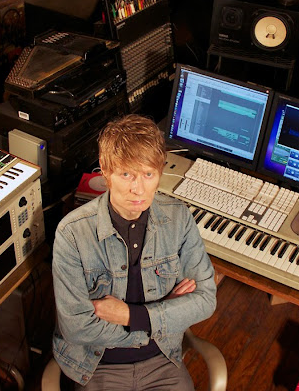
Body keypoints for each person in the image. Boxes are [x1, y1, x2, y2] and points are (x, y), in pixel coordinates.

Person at [51, 115, 217, 390]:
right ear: (105, 171)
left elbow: (205, 300)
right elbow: (76, 327)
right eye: (126, 174)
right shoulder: (72, 233)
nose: (138, 189)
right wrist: (162, 318)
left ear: (160, 172)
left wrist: (131, 316)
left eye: (148, 175)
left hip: (161, 359)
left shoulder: (179, 218)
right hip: (98, 364)